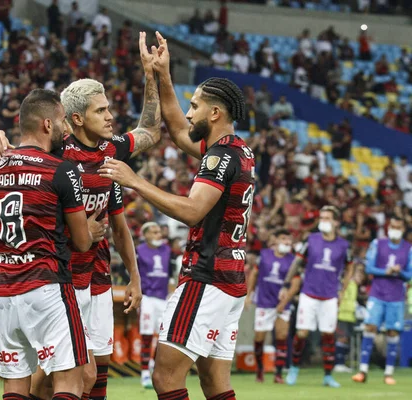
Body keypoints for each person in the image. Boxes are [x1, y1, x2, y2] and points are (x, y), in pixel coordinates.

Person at [0, 31, 162, 400]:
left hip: (97, 275)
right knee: (69, 374)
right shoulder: (55, 154)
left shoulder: (111, 152)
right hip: (61, 278)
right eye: (102, 110)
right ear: (75, 119)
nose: (111, 117)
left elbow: (151, 131)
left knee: (99, 371)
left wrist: (150, 75)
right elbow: (0, 173)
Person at [99, 31, 255, 400]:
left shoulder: (219, 157)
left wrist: (135, 180)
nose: (188, 112)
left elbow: (192, 210)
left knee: (166, 378)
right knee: (215, 384)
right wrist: (161, 74)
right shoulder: (238, 149)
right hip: (230, 281)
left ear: (215, 113)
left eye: (196, 105)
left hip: (206, 277)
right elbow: (176, 128)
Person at [0, 89, 93, 400]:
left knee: (15, 387)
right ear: (46, 124)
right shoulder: (60, 169)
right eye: (61, 121)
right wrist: (90, 229)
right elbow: (82, 242)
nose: (66, 128)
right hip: (47, 287)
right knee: (69, 381)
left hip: (4, 294)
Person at [280, 206, 354, 388]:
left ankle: (328, 375)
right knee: (302, 332)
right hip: (309, 294)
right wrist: (286, 284)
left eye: (328, 218)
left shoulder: (344, 245)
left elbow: (350, 266)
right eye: (322, 217)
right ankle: (294, 369)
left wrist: (343, 289)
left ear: (336, 222)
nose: (323, 221)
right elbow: (297, 261)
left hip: (329, 296)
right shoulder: (311, 240)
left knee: (328, 335)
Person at [352, 216, 412, 385]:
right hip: (377, 294)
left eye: (398, 227)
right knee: (370, 327)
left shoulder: (408, 249)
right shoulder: (378, 244)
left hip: (396, 297)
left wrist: (399, 272)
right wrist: (386, 271)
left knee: (392, 332)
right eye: (392, 226)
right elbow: (369, 267)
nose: (395, 229)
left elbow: (410, 274)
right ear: (388, 227)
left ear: (403, 229)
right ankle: (362, 370)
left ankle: (388, 373)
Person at [245, 229, 295, 384]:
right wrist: (248, 294)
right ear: (276, 241)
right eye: (283, 238)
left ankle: (278, 373)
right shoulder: (264, 255)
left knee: (281, 336)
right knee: (259, 338)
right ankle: (260, 370)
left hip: (281, 305)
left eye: (289, 240)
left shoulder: (293, 260)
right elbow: (254, 274)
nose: (286, 242)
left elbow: (295, 283)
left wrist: (284, 303)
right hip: (264, 302)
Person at [136, 222, 172, 389]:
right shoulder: (139, 250)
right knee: (147, 334)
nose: (159, 234)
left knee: (164, 336)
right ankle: (144, 373)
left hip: (163, 297)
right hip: (147, 297)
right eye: (155, 232)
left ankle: (151, 362)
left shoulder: (167, 250)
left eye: (159, 231)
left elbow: (171, 272)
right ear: (146, 235)